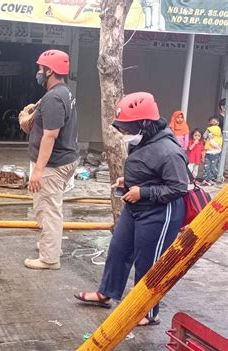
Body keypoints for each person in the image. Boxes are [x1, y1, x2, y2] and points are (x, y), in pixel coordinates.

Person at [75, 92, 187, 327]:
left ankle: (149, 312)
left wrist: (143, 192)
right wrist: (127, 183)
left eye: (127, 129)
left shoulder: (168, 150)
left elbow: (178, 187)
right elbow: (149, 173)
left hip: (159, 212)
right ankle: (106, 293)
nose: (124, 134)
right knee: (118, 250)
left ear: (145, 124)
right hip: (135, 207)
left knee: (149, 263)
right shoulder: (144, 140)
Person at [25, 49, 79, 270]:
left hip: (53, 164)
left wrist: (38, 170)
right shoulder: (64, 92)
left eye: (41, 68)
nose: (38, 72)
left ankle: (49, 258)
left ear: (50, 71)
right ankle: (51, 245)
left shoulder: (54, 98)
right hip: (64, 159)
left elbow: (50, 135)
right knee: (48, 207)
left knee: (48, 209)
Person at [202, 116, 223, 185]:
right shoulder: (211, 130)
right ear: (209, 122)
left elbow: (205, 137)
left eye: (215, 120)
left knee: (210, 166)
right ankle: (207, 179)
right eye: (212, 120)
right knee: (210, 166)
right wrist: (217, 145)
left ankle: (209, 179)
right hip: (213, 151)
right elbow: (205, 137)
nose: (213, 121)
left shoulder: (215, 130)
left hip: (213, 151)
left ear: (218, 122)